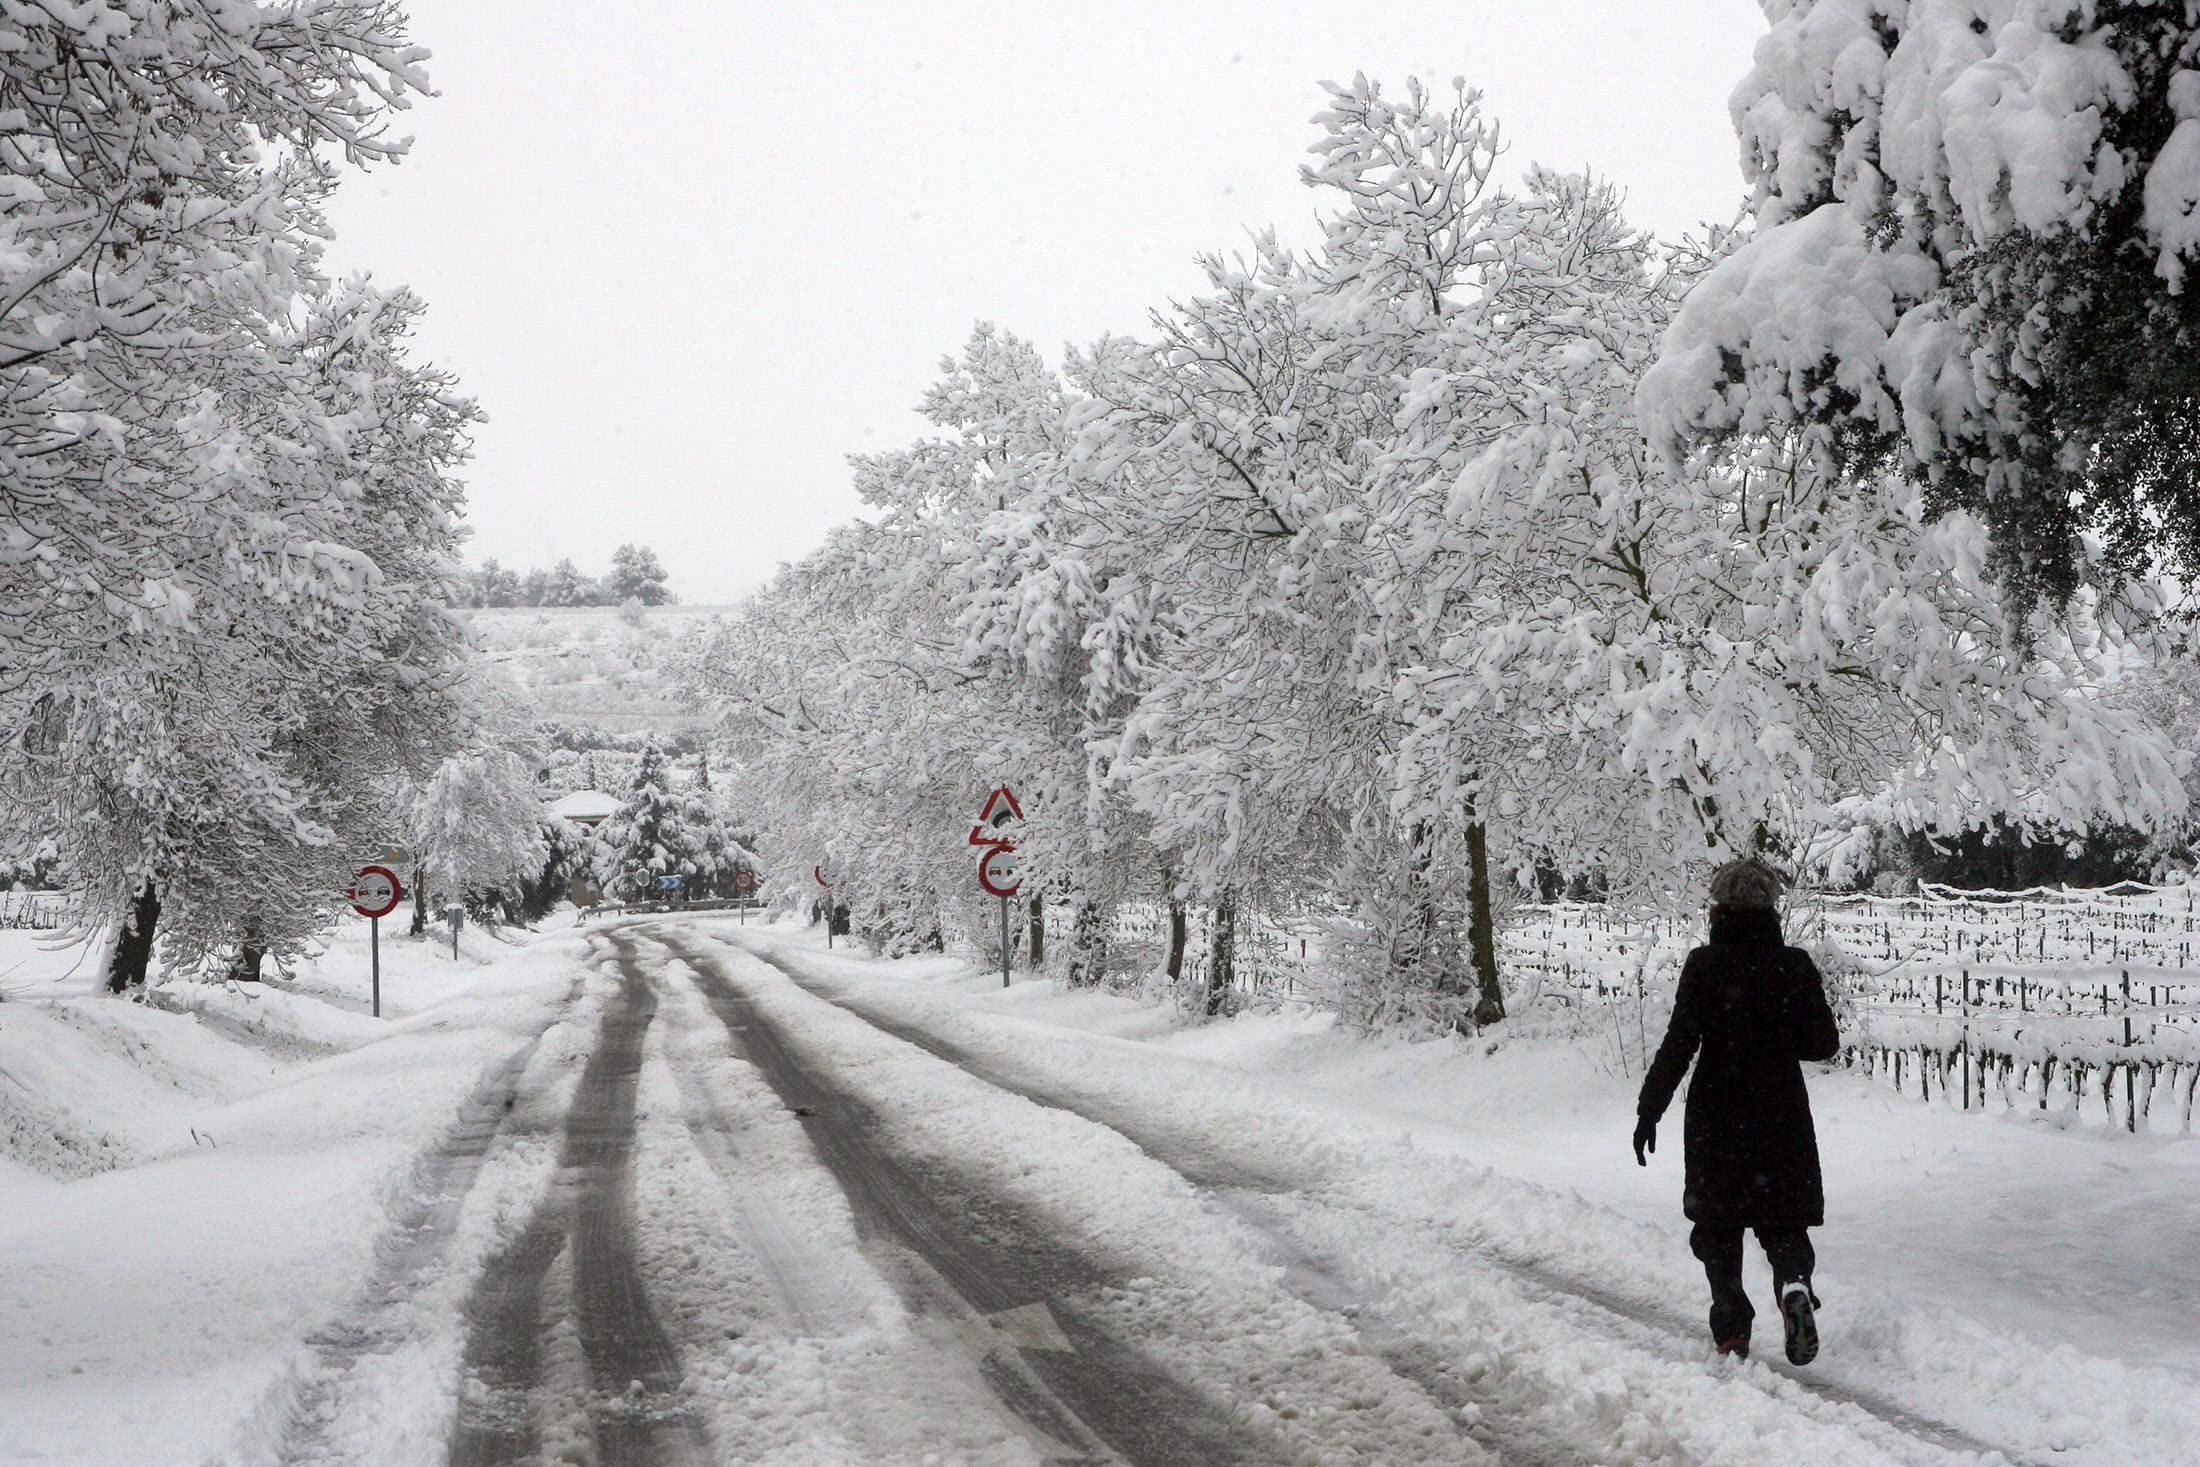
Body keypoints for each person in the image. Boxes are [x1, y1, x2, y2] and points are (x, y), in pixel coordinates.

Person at [1634, 858, 1840, 1364]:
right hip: (1780, 1111)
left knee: (1718, 1226)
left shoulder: (1705, 965)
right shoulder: (1793, 965)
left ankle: (1731, 1328)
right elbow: (1823, 1044)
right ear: (1771, 907)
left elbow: (1679, 1044)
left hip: (1717, 1114)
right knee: (1783, 1218)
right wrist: (1775, 1031)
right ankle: (1793, 1285)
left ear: (1719, 908)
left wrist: (1649, 1109)